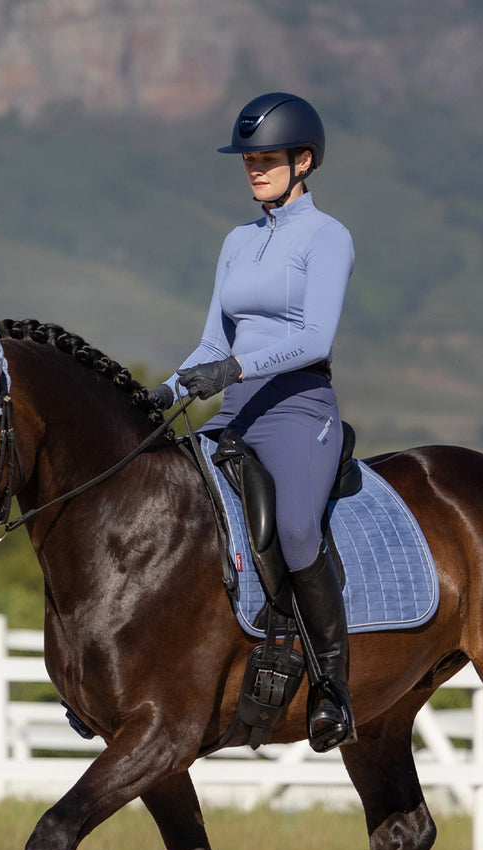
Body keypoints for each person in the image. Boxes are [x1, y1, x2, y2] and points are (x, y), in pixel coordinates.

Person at [150, 92, 356, 751]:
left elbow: (316, 338)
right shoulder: (237, 243)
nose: (254, 170)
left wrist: (234, 370)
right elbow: (214, 341)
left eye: (266, 159)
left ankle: (333, 688)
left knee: (295, 528)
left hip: (297, 408)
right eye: (248, 160)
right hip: (236, 408)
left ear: (304, 161)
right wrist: (168, 388)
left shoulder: (327, 239)